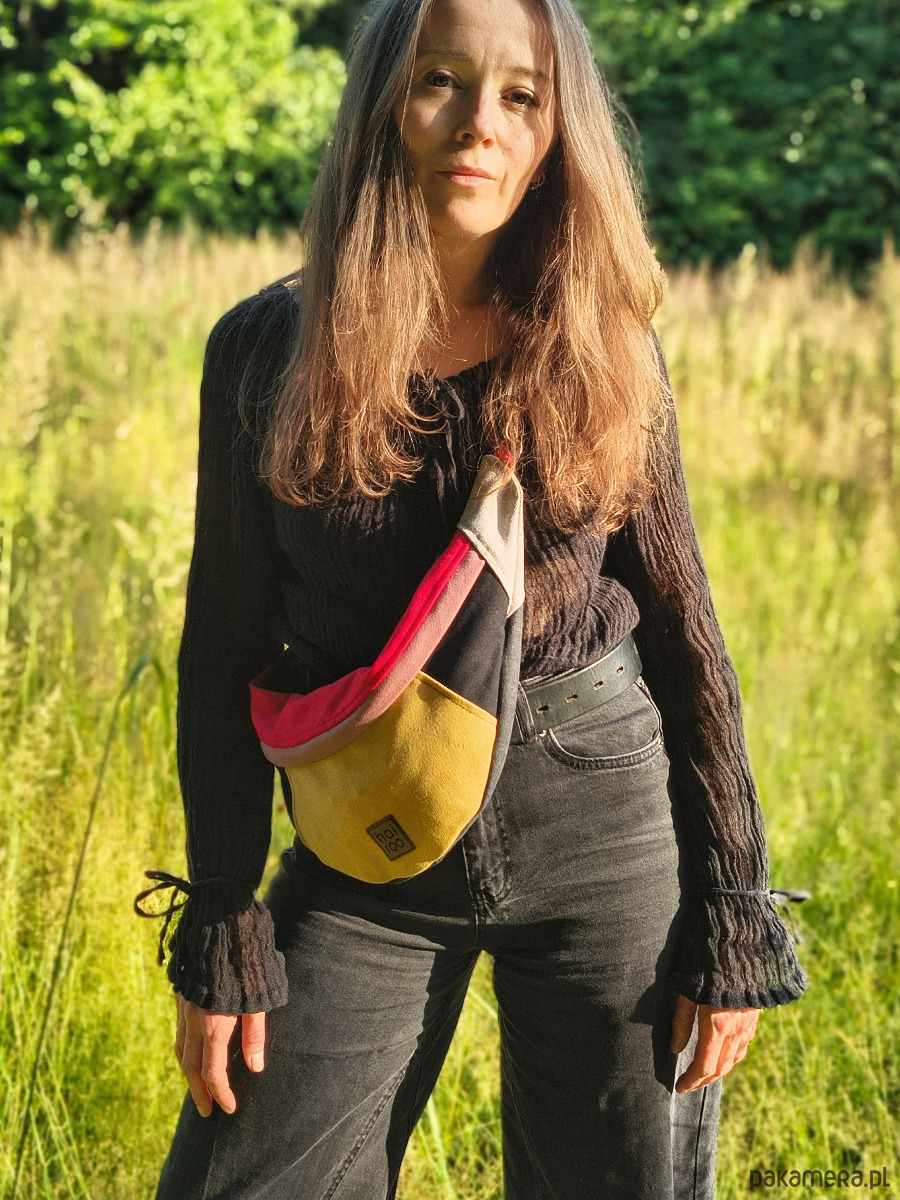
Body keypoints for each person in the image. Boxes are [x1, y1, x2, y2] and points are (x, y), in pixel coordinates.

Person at [135, 0, 808, 1196]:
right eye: (440, 80)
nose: (478, 125)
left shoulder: (602, 340)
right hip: (365, 847)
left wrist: (732, 901)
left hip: (601, 821)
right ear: (384, 102)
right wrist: (227, 919)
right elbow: (223, 643)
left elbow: (684, 630)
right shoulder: (267, 349)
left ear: (558, 133)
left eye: (521, 95)